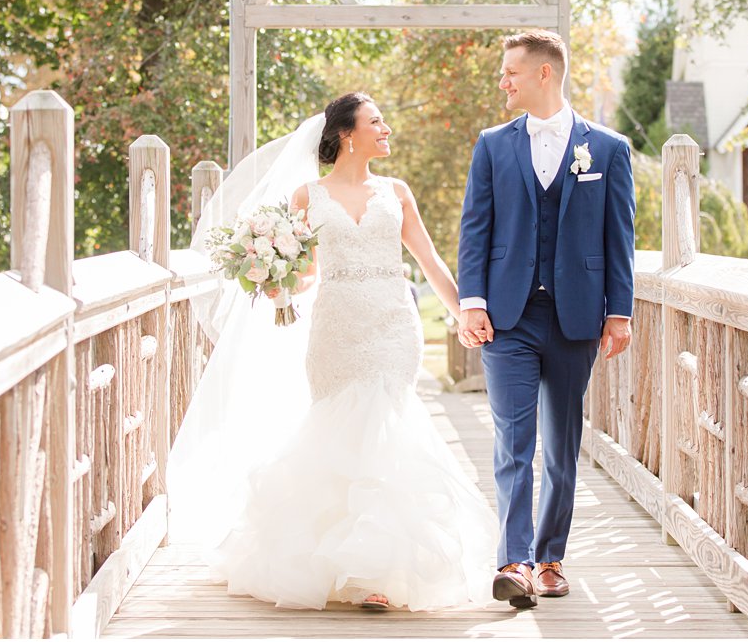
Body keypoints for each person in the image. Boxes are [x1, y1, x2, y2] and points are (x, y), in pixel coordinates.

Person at [168, 93, 496, 612]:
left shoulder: (398, 192)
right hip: (338, 328)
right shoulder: (306, 196)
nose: (386, 128)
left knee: (388, 426)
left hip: (393, 326)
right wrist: (276, 283)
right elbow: (309, 273)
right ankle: (344, 566)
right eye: (376, 121)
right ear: (347, 134)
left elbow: (430, 261)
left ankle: (377, 572)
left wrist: (465, 314)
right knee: (343, 430)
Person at [457, 30, 636, 608]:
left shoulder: (606, 149)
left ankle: (551, 557)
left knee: (562, 445)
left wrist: (620, 312)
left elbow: (620, 239)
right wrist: (473, 300)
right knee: (514, 440)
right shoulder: (492, 144)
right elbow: (475, 228)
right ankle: (514, 560)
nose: (502, 81)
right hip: (508, 318)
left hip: (576, 317)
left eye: (511, 71)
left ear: (544, 74)